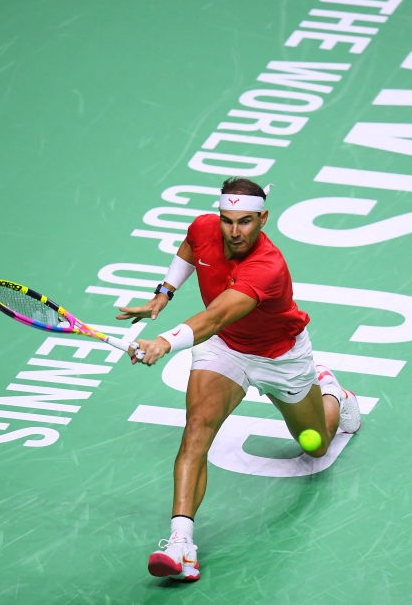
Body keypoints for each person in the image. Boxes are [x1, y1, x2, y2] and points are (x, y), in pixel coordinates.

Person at [116, 177, 362, 582]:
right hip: (224, 348)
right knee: (197, 428)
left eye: (245, 222)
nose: (234, 232)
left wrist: (163, 342)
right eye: (227, 221)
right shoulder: (204, 228)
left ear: (263, 219)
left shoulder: (267, 266)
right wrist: (164, 292)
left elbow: (216, 315)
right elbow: (191, 247)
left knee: (315, 445)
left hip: (279, 356)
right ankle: (181, 544)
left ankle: (332, 391)